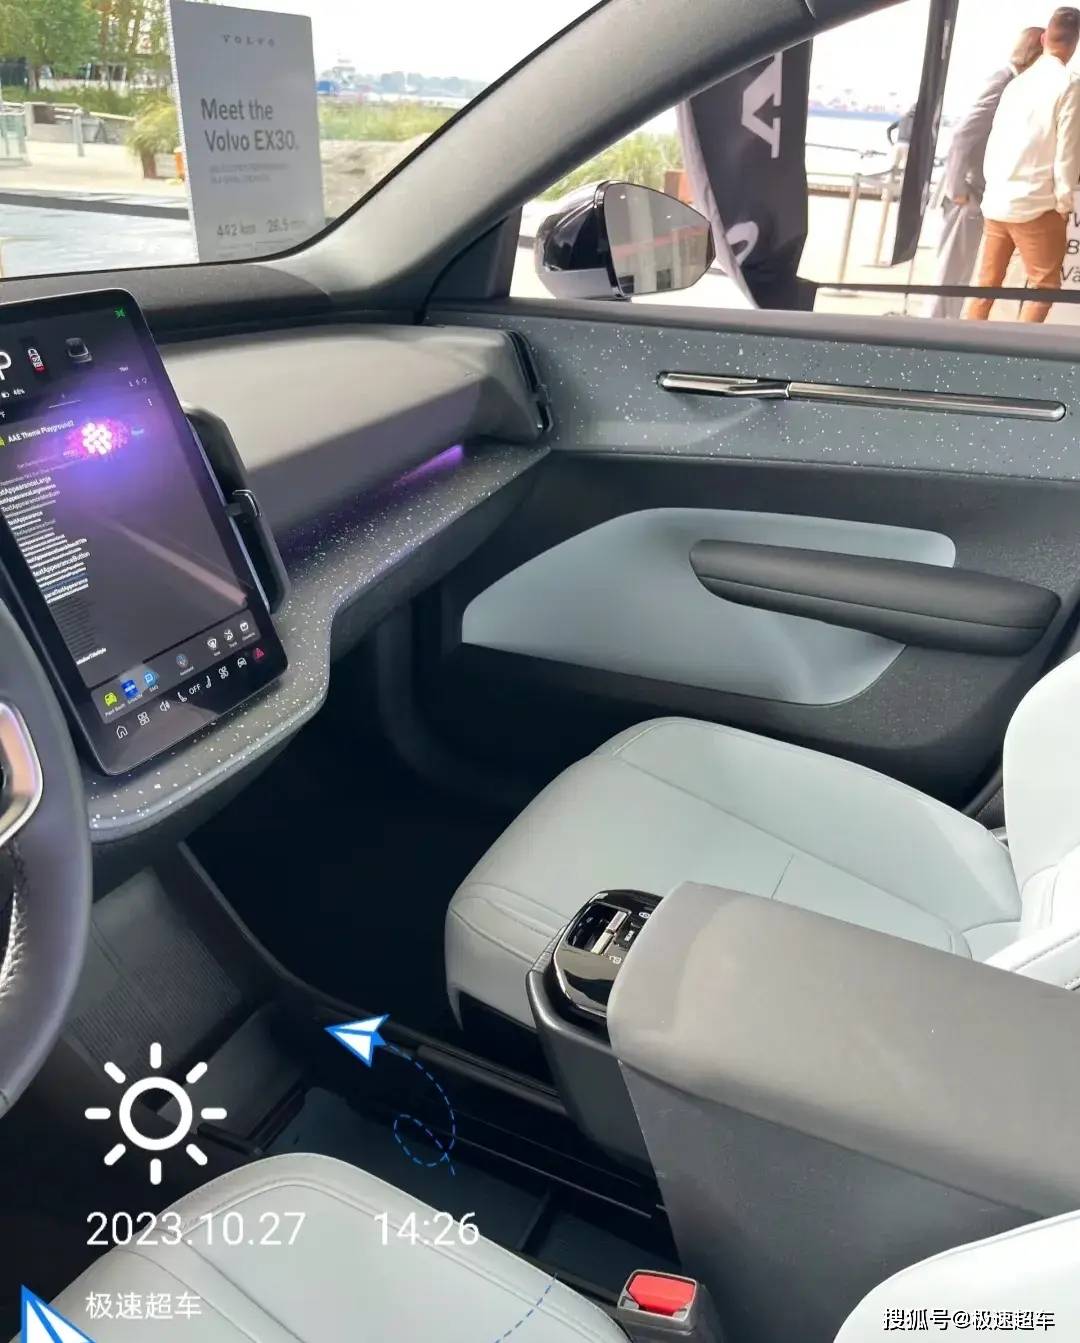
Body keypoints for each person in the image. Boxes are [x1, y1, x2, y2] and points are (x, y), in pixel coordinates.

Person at [965, 8, 1080, 323]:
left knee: (985, 286)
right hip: (1036, 205)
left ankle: (963, 345)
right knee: (1044, 287)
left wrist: (993, 188)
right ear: (1074, 43)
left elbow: (996, 140)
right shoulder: (1069, 85)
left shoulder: (1017, 84)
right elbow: (1068, 151)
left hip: (998, 200)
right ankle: (1019, 350)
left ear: (1044, 38)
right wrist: (1063, 203)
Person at [929, 27, 1045, 320]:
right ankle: (934, 333)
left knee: (962, 273)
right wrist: (957, 190)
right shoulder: (1004, 82)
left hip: (978, 192)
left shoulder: (1014, 84)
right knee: (952, 274)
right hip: (966, 194)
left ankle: (944, 329)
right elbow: (963, 135)